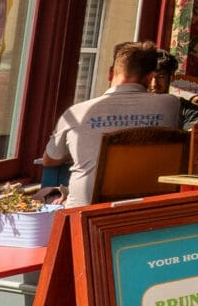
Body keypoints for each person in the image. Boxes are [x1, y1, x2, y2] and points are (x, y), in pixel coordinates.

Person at [43, 42, 183, 208]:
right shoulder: (170, 105)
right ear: (149, 77)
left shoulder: (76, 113)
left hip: (87, 214)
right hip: (150, 208)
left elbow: (49, 160)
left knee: (47, 193)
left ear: (110, 73)